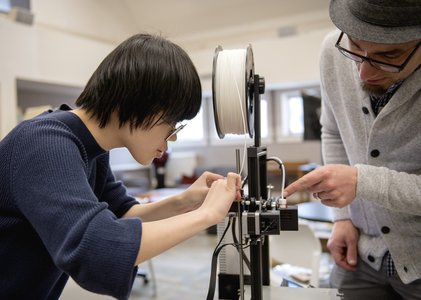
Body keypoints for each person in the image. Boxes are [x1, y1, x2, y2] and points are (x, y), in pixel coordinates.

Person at [0, 33, 241, 299]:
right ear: (137, 101)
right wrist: (206, 215)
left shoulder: (91, 147)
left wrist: (184, 202)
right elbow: (96, 248)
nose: (173, 136)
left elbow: (122, 215)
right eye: (172, 124)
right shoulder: (45, 144)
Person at [283, 0, 421, 298]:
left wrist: (362, 181)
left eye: (389, 56)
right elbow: (333, 131)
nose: (363, 75)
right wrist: (343, 217)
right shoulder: (332, 50)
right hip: (360, 250)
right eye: (356, 49)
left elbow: (362, 178)